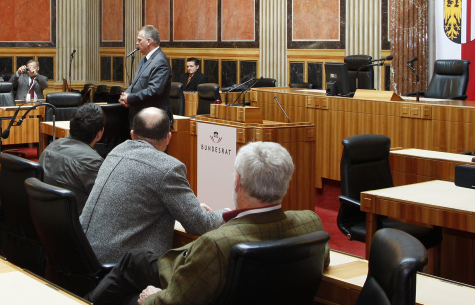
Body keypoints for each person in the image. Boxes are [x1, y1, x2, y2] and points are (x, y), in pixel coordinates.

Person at [85, 141, 330, 305]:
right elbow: (323, 257)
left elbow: (177, 301)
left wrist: (151, 296)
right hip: (218, 280)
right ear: (285, 183)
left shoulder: (216, 244)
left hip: (193, 282)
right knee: (136, 259)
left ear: (238, 183)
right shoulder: (311, 222)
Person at [80, 108, 222, 264]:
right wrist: (227, 213)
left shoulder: (116, 151)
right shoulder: (168, 168)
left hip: (84, 254)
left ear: (132, 134)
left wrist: (187, 206)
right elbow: (200, 224)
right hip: (121, 268)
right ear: (168, 137)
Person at [39, 103, 104, 212]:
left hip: (43, 217)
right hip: (73, 225)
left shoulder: (51, 146)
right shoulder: (93, 162)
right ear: (99, 134)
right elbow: (105, 200)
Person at [120, 25, 172, 122]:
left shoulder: (160, 61)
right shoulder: (144, 59)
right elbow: (136, 83)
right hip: (139, 115)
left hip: (153, 120)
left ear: (149, 41)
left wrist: (130, 98)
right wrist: (126, 94)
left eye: (139, 40)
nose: (137, 43)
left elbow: (154, 90)